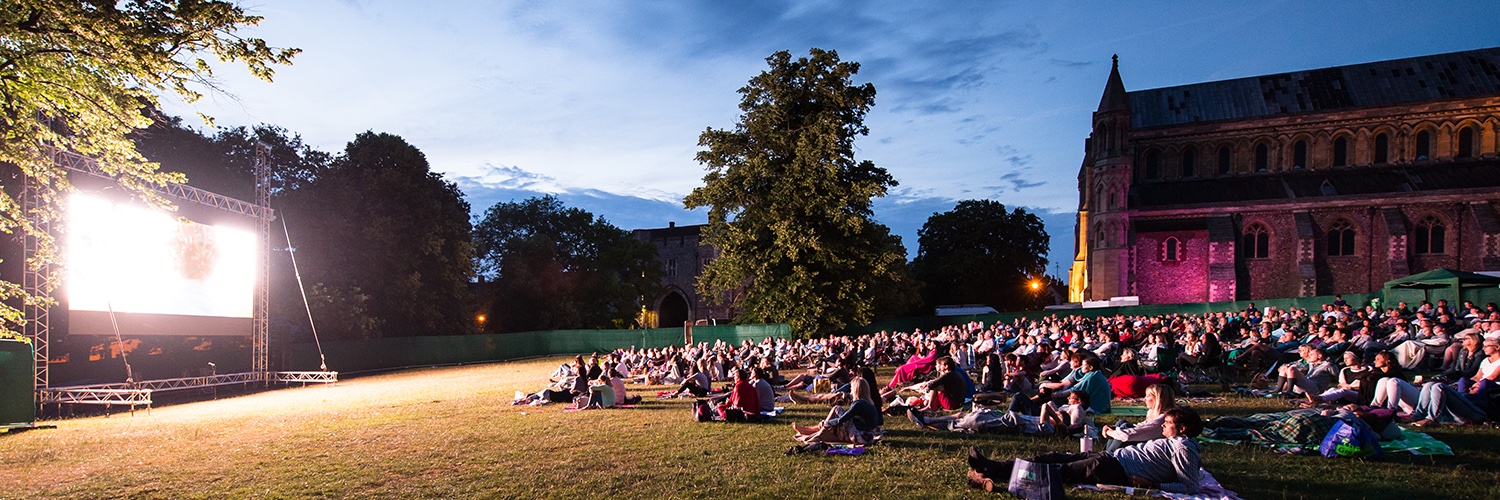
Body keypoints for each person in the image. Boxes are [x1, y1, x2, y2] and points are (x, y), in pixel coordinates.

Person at [965, 407, 1205, 494]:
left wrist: (1152, 485)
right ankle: (994, 466)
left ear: (1182, 428)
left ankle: (995, 473)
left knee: (1061, 470)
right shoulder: (1177, 442)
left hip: (1116, 469)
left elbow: (1190, 486)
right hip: (1111, 458)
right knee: (1049, 457)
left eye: (1168, 423)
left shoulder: (1184, 447)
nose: (1163, 425)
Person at [1101, 384, 1176, 451]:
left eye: (1148, 396)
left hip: (1149, 447)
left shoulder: (1162, 419)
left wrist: (1109, 432)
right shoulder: (1154, 413)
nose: (1144, 399)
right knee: (1121, 422)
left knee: (1124, 428)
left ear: (1158, 399)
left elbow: (1128, 435)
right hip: (1144, 440)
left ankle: (1106, 457)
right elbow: (1140, 427)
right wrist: (1112, 428)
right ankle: (1104, 455)